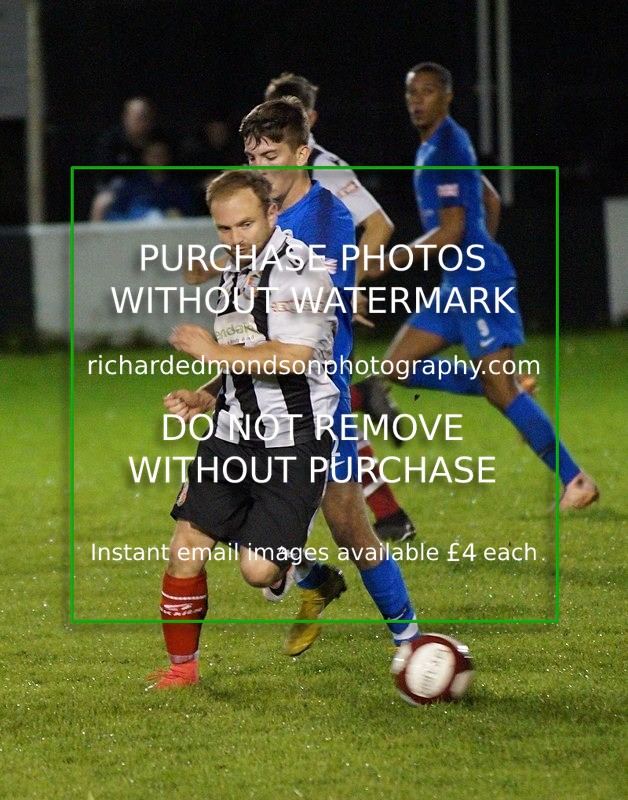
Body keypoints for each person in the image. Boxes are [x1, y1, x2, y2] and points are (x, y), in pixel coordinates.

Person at [172, 97, 420, 659]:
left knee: (349, 525)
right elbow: (247, 334)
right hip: (255, 402)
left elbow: (301, 334)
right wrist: (212, 391)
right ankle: (306, 575)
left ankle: (411, 640)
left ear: (303, 154)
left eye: (272, 155)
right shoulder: (255, 228)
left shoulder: (326, 219)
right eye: (253, 156)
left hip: (313, 406)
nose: (262, 169)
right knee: (219, 516)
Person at [148, 170, 339, 689]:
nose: (236, 240)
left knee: (257, 572)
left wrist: (211, 349)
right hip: (232, 431)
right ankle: (182, 671)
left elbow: (294, 358)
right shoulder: (237, 271)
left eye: (247, 225)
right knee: (186, 546)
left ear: (273, 213)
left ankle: (310, 574)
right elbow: (245, 354)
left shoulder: (303, 274)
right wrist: (208, 392)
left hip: (294, 438)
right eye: (224, 229)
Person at [378, 62, 598, 510]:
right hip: (460, 281)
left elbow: (451, 232)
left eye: (427, 91)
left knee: (500, 391)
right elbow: (490, 200)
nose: (417, 100)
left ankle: (576, 480)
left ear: (448, 96)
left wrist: (389, 261)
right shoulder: (437, 146)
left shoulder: (446, 147)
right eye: (411, 93)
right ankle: (506, 384)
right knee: (397, 366)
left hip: (476, 281)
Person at [262, 72, 416, 543]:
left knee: (286, 407)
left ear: (310, 118)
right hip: (282, 303)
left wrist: (348, 282)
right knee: (310, 413)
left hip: (312, 311)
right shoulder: (271, 168)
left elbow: (379, 226)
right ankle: (387, 514)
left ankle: (280, 556)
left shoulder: (327, 167)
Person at [90, 139, 197, 221]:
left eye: (161, 155)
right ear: (145, 158)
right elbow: (113, 215)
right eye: (153, 156)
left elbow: (191, 216)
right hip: (136, 235)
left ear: (168, 157)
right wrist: (133, 220)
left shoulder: (178, 186)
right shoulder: (131, 185)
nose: (158, 160)